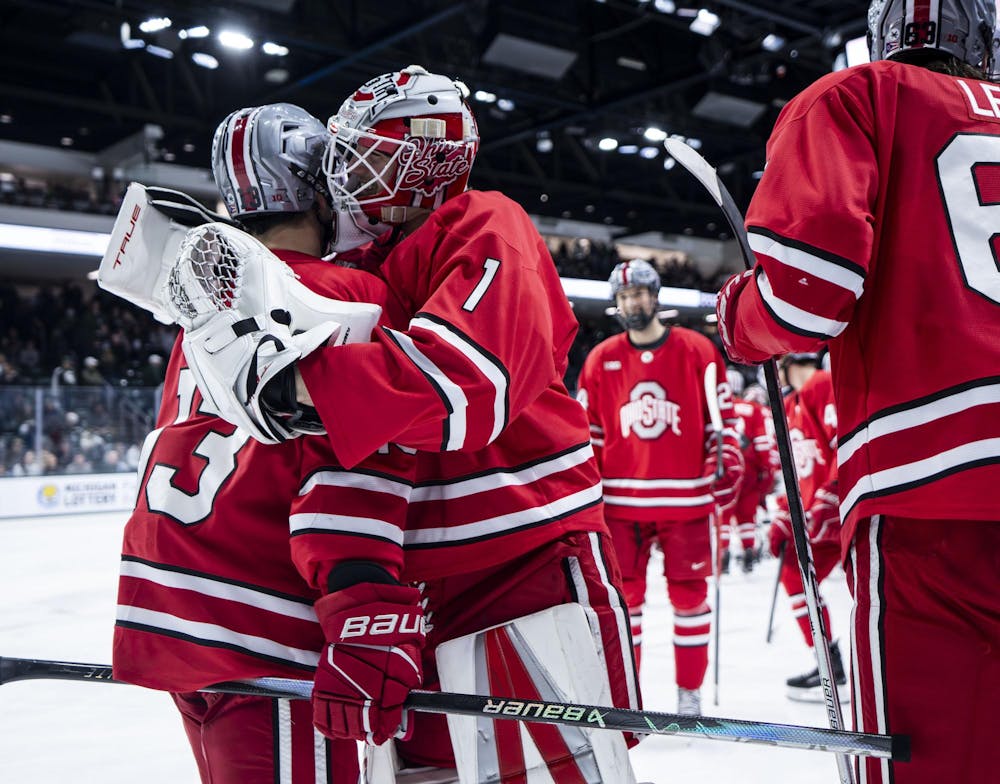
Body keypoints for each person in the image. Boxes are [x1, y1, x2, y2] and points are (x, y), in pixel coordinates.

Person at [176, 66, 640, 781]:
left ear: (422, 163)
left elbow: (467, 385)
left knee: (553, 770)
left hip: (522, 561)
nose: (345, 176)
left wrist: (303, 382)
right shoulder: (362, 273)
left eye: (366, 155)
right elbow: (344, 462)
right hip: (419, 588)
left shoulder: (486, 222)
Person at [715, 1, 1000, 780]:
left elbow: (806, 298)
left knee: (934, 762)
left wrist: (738, 315)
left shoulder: (857, 95)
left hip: (934, 491)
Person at [112, 103, 410, 784]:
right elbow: (353, 460)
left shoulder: (200, 302)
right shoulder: (351, 293)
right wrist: (365, 606)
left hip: (173, 604)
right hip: (263, 621)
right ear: (316, 187)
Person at [575, 258, 743, 716]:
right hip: (620, 505)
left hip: (686, 501)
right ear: (618, 303)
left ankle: (688, 697)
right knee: (625, 604)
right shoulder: (599, 359)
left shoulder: (698, 350)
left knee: (691, 599)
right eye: (626, 296)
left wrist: (726, 459)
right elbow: (589, 437)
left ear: (656, 296)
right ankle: (628, 696)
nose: (634, 302)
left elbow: (721, 422)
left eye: (641, 293)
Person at [766, 353, 844, 701]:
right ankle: (829, 662)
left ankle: (885, 666)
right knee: (794, 575)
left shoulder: (821, 384)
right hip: (818, 514)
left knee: (869, 589)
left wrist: (831, 494)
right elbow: (800, 470)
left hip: (841, 510)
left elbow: (844, 443)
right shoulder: (793, 401)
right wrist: (785, 511)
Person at [720, 367, 777, 574]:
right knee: (747, 514)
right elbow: (762, 443)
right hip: (751, 470)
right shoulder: (753, 408)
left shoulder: (716, 408)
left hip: (726, 468)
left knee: (724, 515)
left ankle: (723, 554)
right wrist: (767, 470)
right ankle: (748, 553)